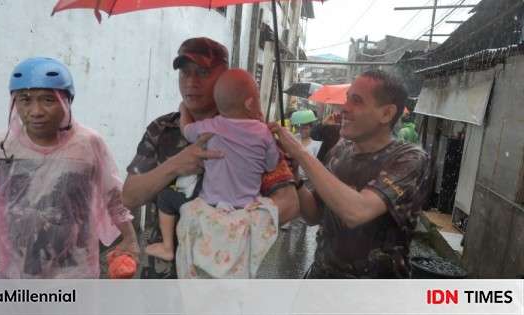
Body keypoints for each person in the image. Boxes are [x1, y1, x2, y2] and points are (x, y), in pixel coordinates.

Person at [122, 37, 299, 278]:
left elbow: (289, 203)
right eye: (184, 73)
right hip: (162, 278)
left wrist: (227, 227)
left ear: (223, 78)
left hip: (222, 277)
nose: (191, 82)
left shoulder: (253, 133)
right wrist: (175, 165)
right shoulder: (162, 128)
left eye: (203, 72)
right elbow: (129, 197)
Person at [0, 57, 139, 279]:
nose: (36, 111)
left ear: (66, 102)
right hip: (16, 274)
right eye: (25, 100)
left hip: (76, 273)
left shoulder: (88, 143)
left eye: (47, 100)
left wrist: (130, 239)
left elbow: (113, 196)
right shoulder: (2, 146)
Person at [271, 70, 430, 278]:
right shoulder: (340, 150)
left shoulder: (409, 159)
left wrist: (300, 153)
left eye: (357, 101)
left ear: (387, 114)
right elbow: (313, 215)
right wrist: (295, 178)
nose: (344, 108)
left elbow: (357, 212)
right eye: (347, 99)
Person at [290, 109, 322, 183]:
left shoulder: (316, 145)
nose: (303, 130)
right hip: (292, 177)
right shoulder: (294, 139)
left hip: (307, 181)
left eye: (306, 128)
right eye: (301, 127)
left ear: (311, 128)